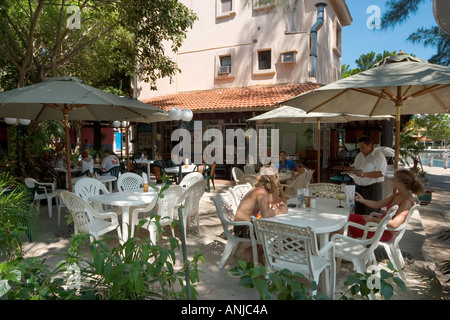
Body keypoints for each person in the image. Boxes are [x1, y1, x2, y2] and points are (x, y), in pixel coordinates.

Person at [347, 169, 424, 242]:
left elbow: (394, 224)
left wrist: (373, 219)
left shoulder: (406, 202)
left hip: (383, 231)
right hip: (378, 224)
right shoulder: (398, 195)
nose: (392, 181)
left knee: (344, 225)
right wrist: (362, 200)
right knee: (346, 217)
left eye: (394, 179)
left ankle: (341, 249)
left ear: (401, 183)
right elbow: (378, 204)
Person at [234, 165, 288, 263]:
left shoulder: (264, 191)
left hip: (248, 225)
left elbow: (283, 201)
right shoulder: (261, 193)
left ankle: (254, 251)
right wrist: (280, 211)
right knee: (274, 228)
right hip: (242, 228)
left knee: (271, 227)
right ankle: (257, 254)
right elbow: (266, 214)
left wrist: (280, 189)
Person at [350, 136, 387, 215]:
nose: (361, 149)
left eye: (363, 147)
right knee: (359, 211)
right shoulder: (359, 155)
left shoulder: (378, 156)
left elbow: (380, 173)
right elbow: (355, 166)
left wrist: (363, 174)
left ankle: (370, 227)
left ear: (370, 146)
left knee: (371, 212)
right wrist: (352, 169)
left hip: (372, 188)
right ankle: (359, 227)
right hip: (359, 187)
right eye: (359, 147)